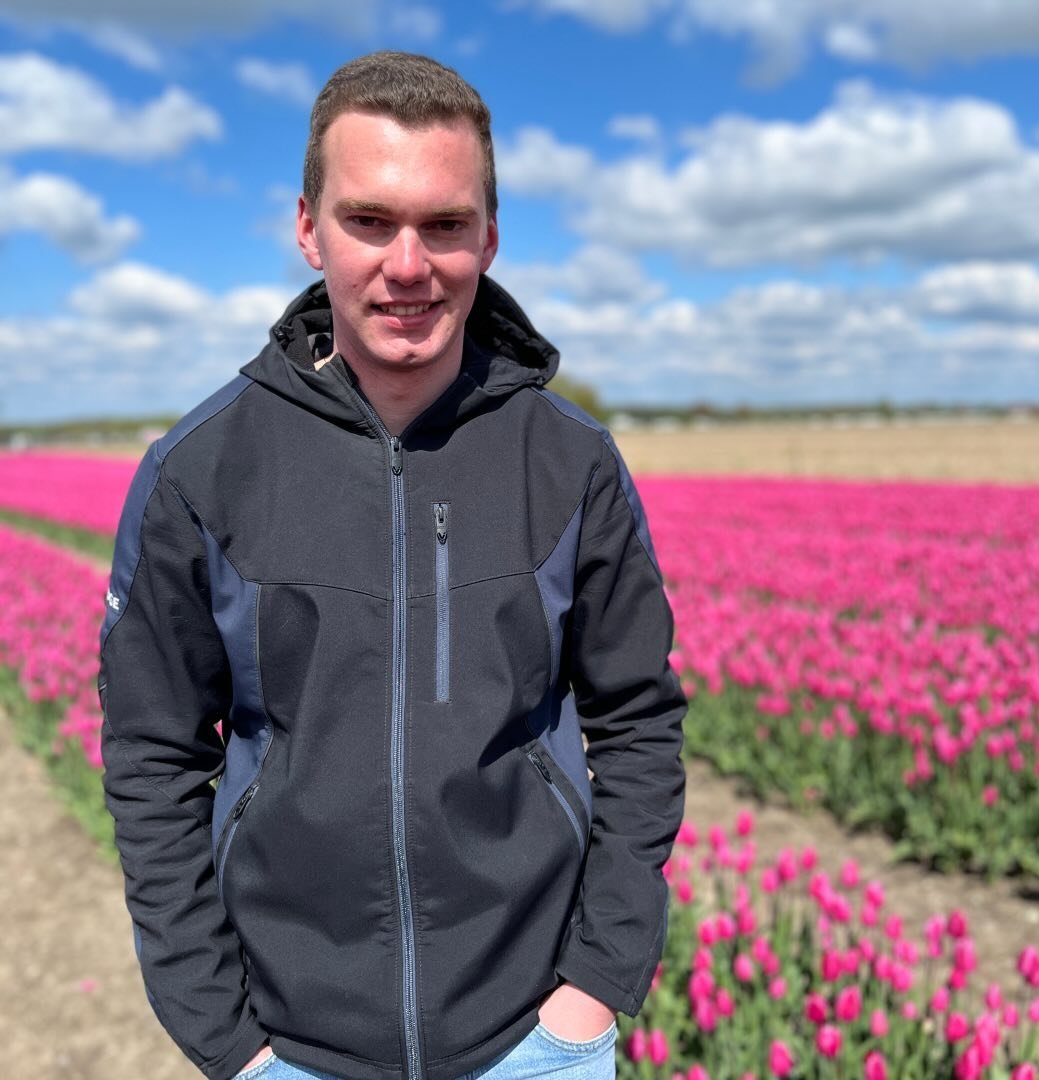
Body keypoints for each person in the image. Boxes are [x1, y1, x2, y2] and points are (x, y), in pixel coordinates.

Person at [99, 51, 686, 1080]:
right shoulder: (202, 473)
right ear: (308, 228)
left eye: (445, 225)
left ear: (490, 237)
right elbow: (152, 756)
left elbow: (639, 720)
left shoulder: (570, 463)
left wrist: (595, 986)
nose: (408, 265)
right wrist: (228, 1040)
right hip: (291, 1049)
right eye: (369, 220)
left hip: (535, 1041)